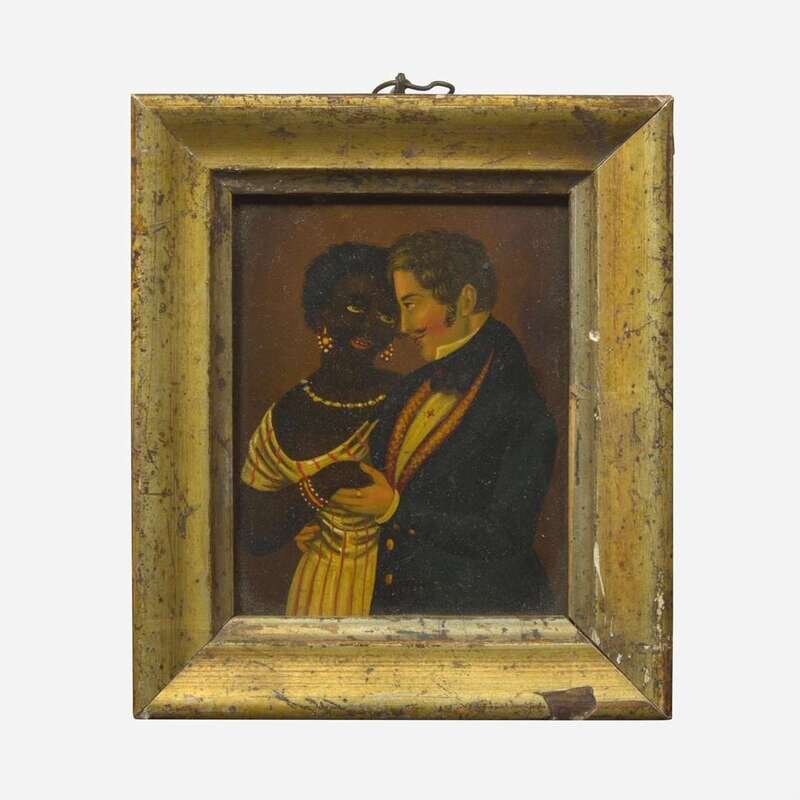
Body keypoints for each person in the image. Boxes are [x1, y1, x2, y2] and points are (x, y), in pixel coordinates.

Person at [331, 230, 557, 614]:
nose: (403, 326)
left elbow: (505, 536)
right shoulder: (413, 386)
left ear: (465, 300)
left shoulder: (520, 403)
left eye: (412, 304)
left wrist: (395, 509)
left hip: (480, 614)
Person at [238, 243, 399, 616]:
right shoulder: (286, 412)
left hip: (397, 593)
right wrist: (321, 485)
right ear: (320, 312)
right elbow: (254, 533)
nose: (370, 325)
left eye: (386, 315)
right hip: (318, 593)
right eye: (356, 307)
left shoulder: (410, 398)